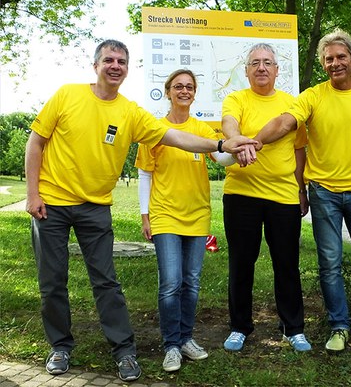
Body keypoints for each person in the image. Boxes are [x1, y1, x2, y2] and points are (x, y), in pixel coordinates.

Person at [24, 39, 255, 382]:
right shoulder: (67, 95)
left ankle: (124, 352)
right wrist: (32, 195)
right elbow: (36, 142)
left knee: (107, 283)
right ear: (96, 66)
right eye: (109, 60)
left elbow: (176, 137)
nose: (115, 65)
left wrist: (221, 144)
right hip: (52, 205)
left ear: (127, 69)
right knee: (52, 282)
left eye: (121, 61)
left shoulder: (130, 113)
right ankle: (60, 346)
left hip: (96, 208)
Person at [253, 29, 351, 353]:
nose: (335, 63)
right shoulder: (312, 96)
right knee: (329, 264)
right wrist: (256, 141)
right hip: (323, 194)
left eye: (341, 57)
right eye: (328, 59)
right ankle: (339, 328)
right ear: (322, 63)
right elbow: (285, 122)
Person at [135, 69, 235, 372]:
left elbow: (223, 158)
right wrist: (145, 215)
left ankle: (186, 339)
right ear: (168, 92)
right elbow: (144, 174)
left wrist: (243, 144)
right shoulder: (155, 130)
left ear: (194, 93)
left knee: (191, 284)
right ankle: (171, 346)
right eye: (178, 86)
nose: (184, 91)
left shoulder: (203, 130)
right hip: (165, 215)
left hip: (197, 214)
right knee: (171, 284)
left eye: (189, 87)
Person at [221, 43, 311, 352]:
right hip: (241, 195)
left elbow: (299, 150)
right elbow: (229, 124)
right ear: (246, 71)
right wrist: (237, 140)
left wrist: (302, 189)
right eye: (255, 63)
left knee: (287, 264)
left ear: (277, 70)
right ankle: (240, 327)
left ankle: (293, 327)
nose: (261, 67)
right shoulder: (235, 99)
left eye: (267, 63)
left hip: (283, 196)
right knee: (241, 263)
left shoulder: (291, 103)